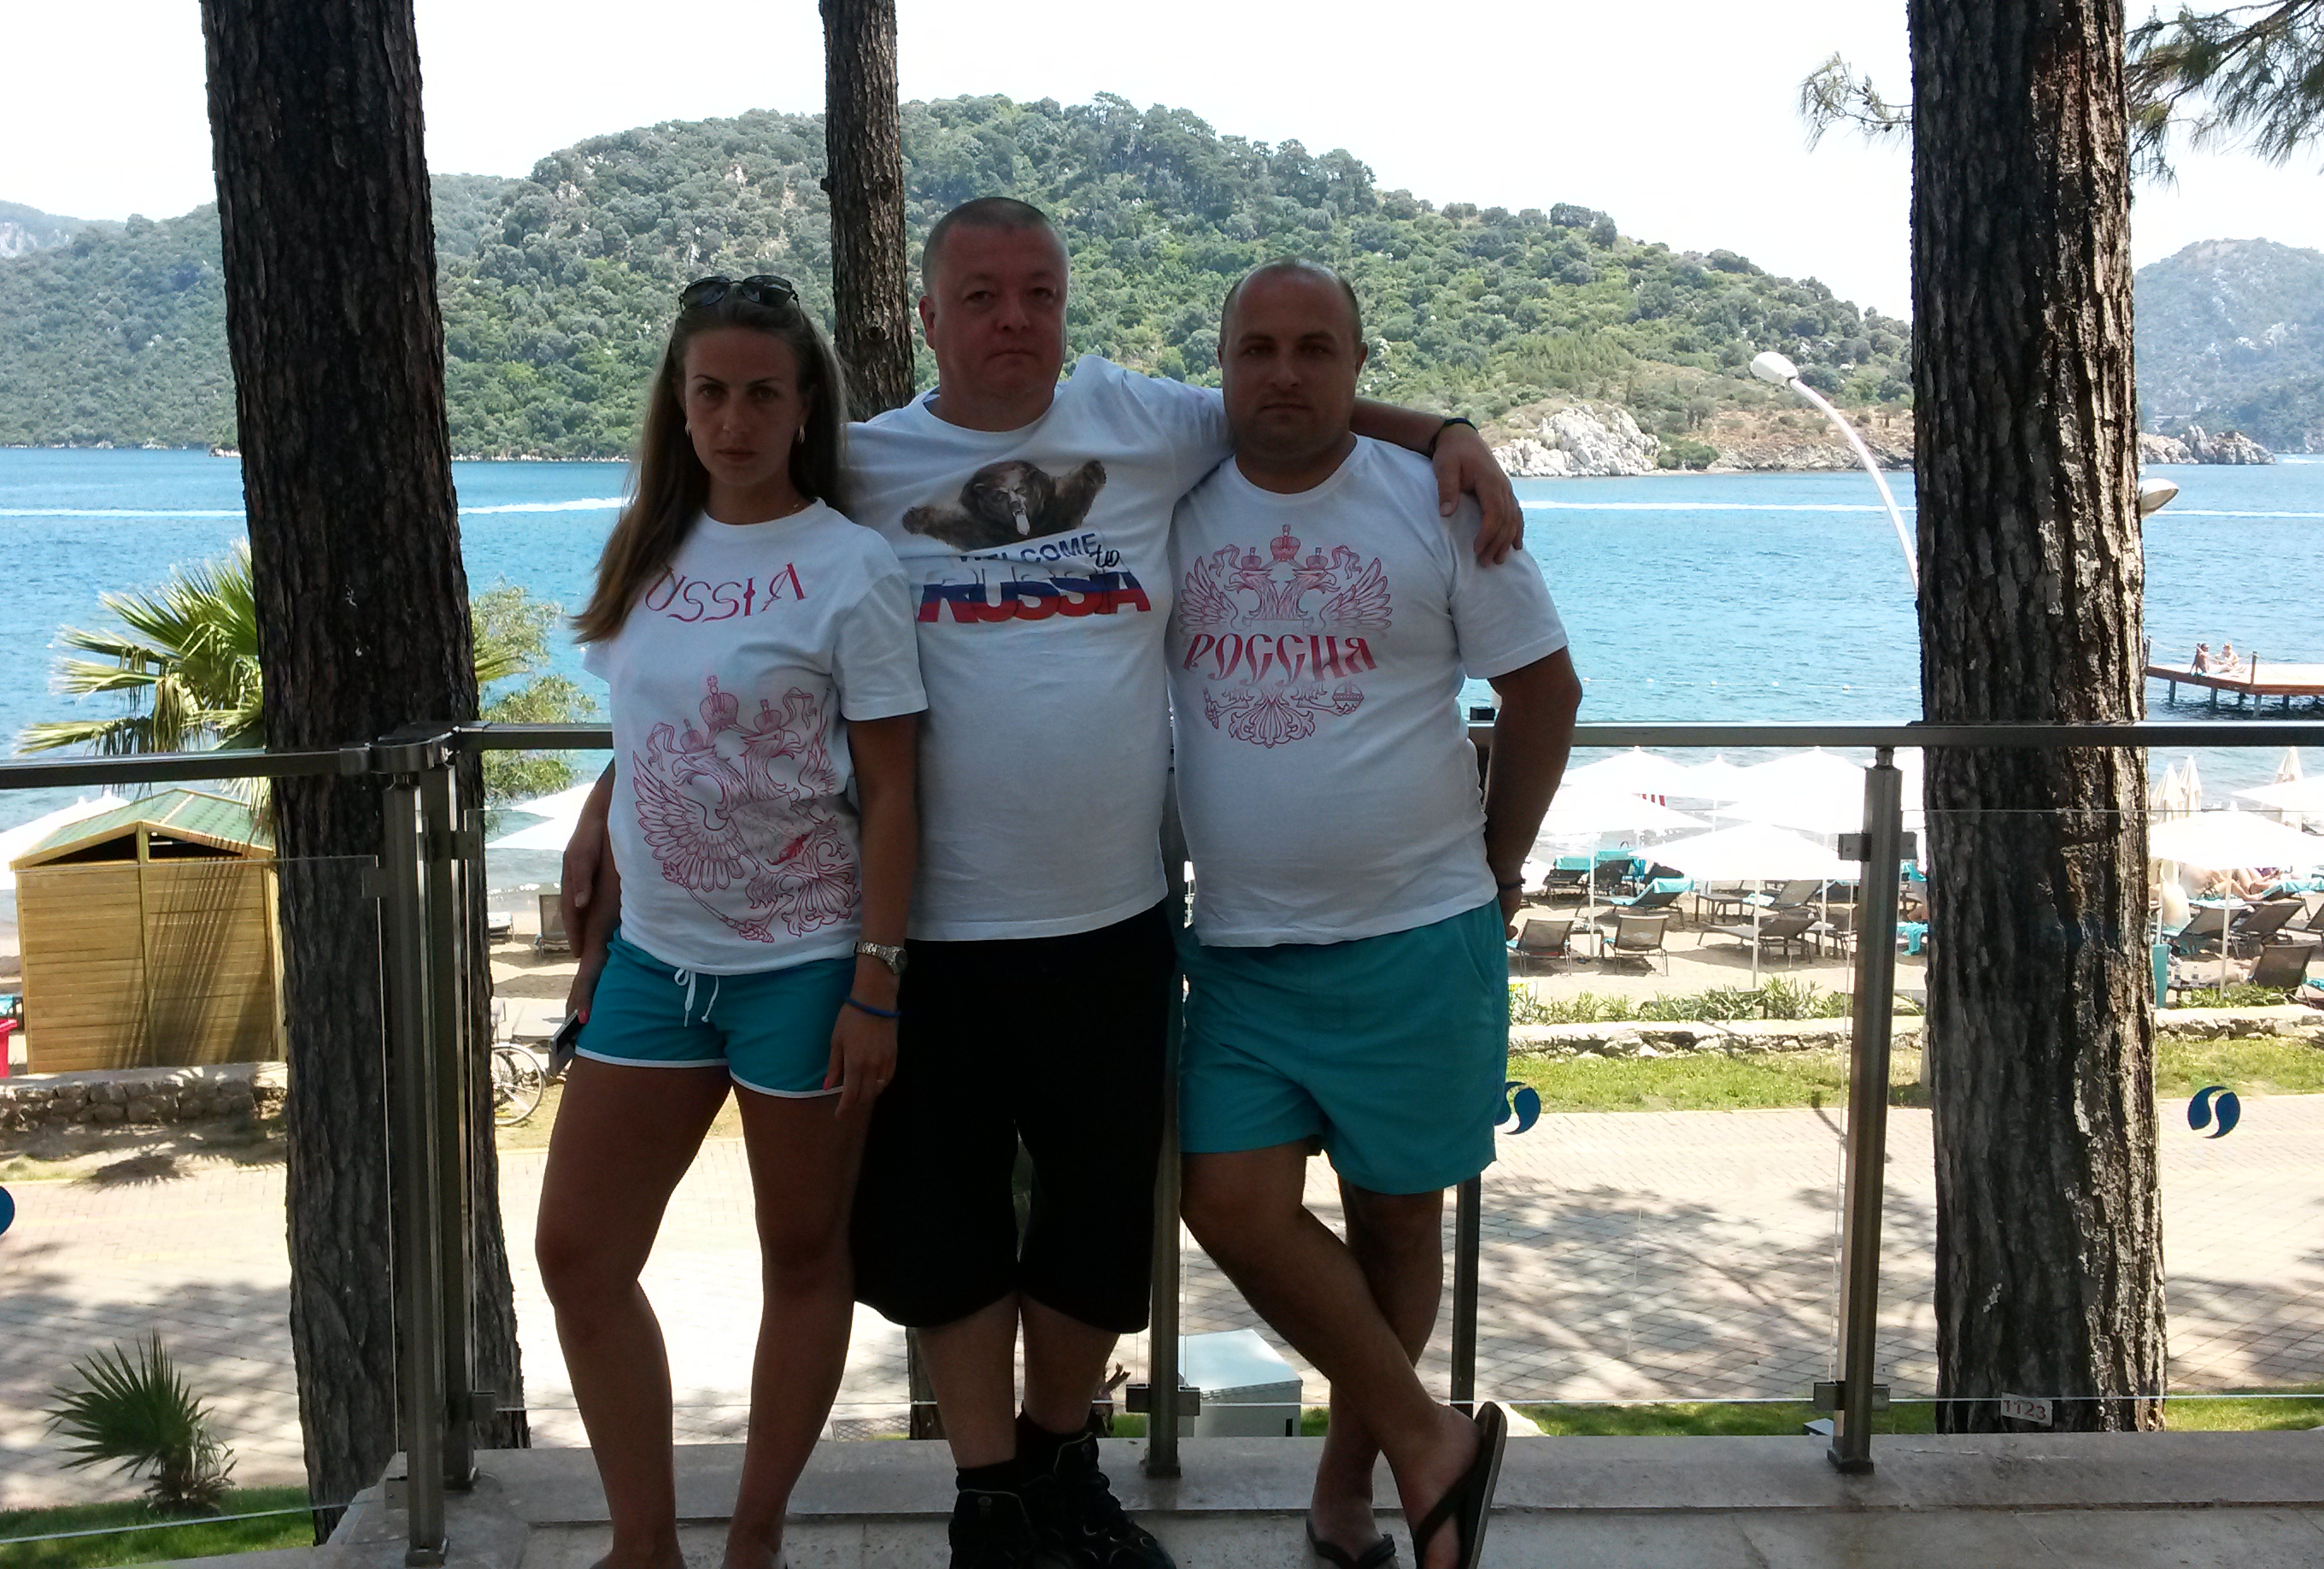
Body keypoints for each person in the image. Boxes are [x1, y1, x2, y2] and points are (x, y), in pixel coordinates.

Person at [566, 198, 1528, 1569]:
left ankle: (1063, 1468)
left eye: (1039, 293)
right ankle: (990, 1498)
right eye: (981, 296)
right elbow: (724, 618)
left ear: (1068, 306)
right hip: (929, 932)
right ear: (930, 316)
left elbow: (1292, 407)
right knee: (945, 1232)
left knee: (1091, 1230)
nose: (1013, 319)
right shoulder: (860, 462)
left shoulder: (1141, 421)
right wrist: (617, 789)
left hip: (1111, 918)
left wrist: (1443, 433)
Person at [1167, 261, 1578, 1569]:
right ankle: (1429, 1438)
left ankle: (1354, 1489)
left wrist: (1500, 867)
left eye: (1316, 348)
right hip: (1242, 952)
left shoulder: (1432, 501)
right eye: (1258, 348)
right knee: (1227, 1203)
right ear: (1222, 365)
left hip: (1419, 938)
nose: (1285, 372)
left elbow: (1545, 691)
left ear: (1357, 364)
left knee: (1398, 1222)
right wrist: (1446, 420)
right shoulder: (1168, 494)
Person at [534, 273, 924, 1569]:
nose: (736, 419)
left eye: (764, 393)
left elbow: (893, 788)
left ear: (805, 405)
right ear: (681, 404)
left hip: (804, 967)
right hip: (655, 963)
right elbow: (650, 718)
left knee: (802, 1256)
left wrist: (876, 983)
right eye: (712, 392)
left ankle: (754, 1538)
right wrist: (601, 812)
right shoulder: (651, 547)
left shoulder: (851, 567)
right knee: (580, 1253)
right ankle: (644, 1546)